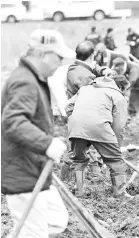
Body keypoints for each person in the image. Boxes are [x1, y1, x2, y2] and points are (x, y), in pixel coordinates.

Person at [2, 29, 75, 237]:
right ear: (43, 54)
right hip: (22, 170)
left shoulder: (33, 79)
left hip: (34, 166)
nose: (60, 62)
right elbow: (13, 122)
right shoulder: (25, 81)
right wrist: (46, 144)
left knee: (56, 221)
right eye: (58, 57)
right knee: (34, 232)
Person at [65, 73, 130, 197]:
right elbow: (119, 125)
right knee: (115, 161)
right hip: (100, 126)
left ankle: (79, 191)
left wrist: (79, 121)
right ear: (120, 87)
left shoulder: (84, 89)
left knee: (78, 160)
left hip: (76, 126)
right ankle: (120, 193)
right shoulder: (117, 95)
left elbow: (68, 106)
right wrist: (116, 144)